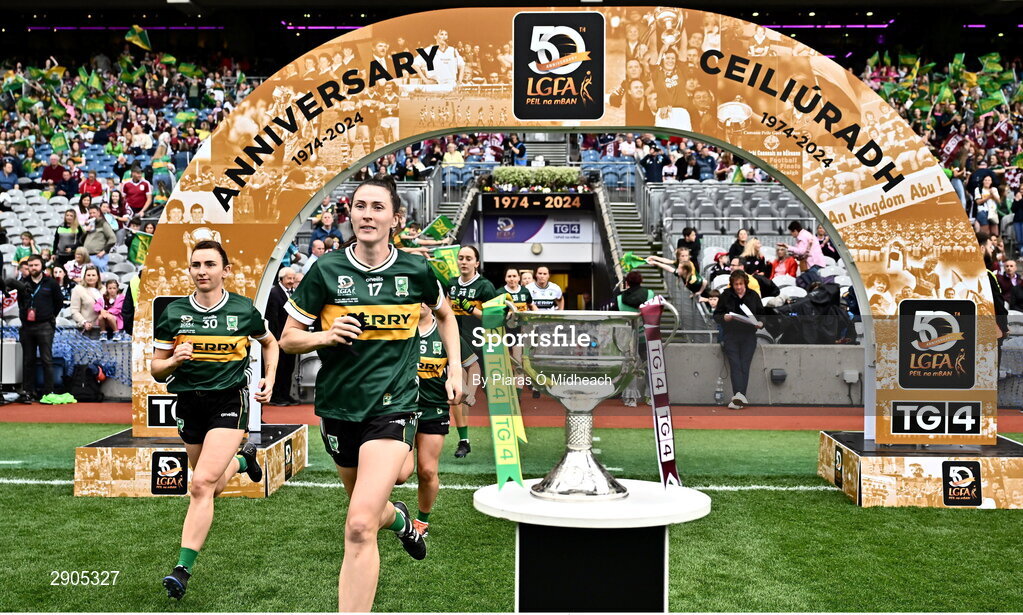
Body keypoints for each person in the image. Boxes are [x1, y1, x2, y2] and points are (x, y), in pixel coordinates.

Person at [278, 177, 462, 611]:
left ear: (395, 218)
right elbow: (287, 339)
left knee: (358, 525)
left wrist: (455, 367)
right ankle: (399, 519)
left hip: (394, 406)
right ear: (351, 215)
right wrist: (324, 335)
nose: (367, 214)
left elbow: (446, 316)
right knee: (371, 511)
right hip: (339, 408)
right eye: (360, 206)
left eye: (378, 207)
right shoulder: (325, 270)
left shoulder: (416, 271)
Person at [152, 240, 277, 601]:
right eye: (195, 265)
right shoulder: (174, 313)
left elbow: (270, 343)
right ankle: (243, 460)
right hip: (189, 403)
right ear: (189, 271)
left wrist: (268, 376)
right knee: (211, 486)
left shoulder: (242, 309)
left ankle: (182, 569)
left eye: (209, 264)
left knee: (200, 484)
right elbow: (156, 369)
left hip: (229, 401)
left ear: (226, 270)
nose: (202, 271)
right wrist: (174, 360)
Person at [401, 302, 480, 537]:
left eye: (427, 298)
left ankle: (421, 521)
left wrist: (470, 392)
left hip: (434, 408)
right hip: (400, 408)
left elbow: (472, 366)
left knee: (426, 471)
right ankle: (390, 512)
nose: (421, 303)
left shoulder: (445, 331)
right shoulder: (400, 329)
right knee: (400, 474)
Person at [445, 245, 498, 458]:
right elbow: (444, 314)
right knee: (458, 391)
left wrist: (470, 308)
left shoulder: (485, 286)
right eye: (461, 258)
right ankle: (464, 441)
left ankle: (503, 440)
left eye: (468, 258)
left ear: (477, 263)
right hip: (457, 345)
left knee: (494, 394)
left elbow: (494, 318)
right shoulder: (450, 284)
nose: (464, 262)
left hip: (482, 345)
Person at [11, 255, 63, 404]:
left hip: (45, 326)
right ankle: (28, 391)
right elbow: (20, 303)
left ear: (42, 266)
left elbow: (58, 302)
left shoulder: (51, 283)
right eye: (30, 265)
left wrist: (51, 317)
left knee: (47, 360)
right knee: (28, 360)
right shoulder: (22, 283)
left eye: (36, 265)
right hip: (27, 327)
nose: (33, 268)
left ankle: (48, 392)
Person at [713, 270, 765, 410]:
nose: (738, 287)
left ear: (745, 283)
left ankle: (739, 397)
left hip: (749, 336)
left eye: (741, 284)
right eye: (736, 284)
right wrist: (724, 317)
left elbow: (762, 315)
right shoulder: (726, 295)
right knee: (735, 365)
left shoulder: (753, 295)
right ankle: (739, 397)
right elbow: (716, 314)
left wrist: (760, 323)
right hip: (731, 335)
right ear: (732, 284)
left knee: (744, 366)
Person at [264, 267, 300, 406]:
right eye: (289, 278)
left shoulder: (291, 293)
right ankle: (276, 396)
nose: (291, 281)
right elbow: (272, 318)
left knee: (289, 368)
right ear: (281, 279)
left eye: (293, 278)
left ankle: (286, 394)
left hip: (291, 338)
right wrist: (276, 340)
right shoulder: (274, 293)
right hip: (278, 339)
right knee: (279, 368)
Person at [70, 265, 103, 338]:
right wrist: (84, 322)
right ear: (84, 276)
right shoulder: (78, 289)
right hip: (86, 330)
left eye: (93, 275)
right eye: (88, 275)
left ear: (98, 277)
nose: (91, 277)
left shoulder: (103, 289)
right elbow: (74, 311)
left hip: (102, 330)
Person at [83, 204, 117, 272]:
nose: (92, 215)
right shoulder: (89, 224)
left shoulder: (103, 223)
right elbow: (81, 240)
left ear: (98, 213)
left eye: (94, 213)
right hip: (87, 256)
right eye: (90, 213)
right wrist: (85, 231)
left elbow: (113, 239)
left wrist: (104, 251)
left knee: (101, 278)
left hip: (98, 257)